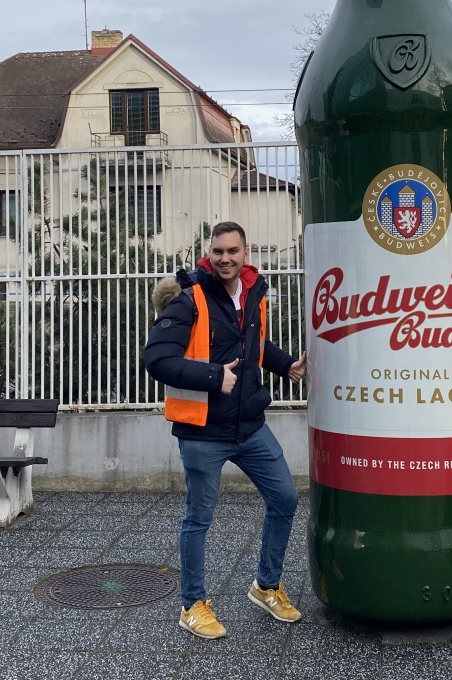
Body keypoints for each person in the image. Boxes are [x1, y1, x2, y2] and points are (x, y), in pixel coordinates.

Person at [145, 221, 307, 639]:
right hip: (203, 431)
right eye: (218, 251)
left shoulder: (254, 294)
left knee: (286, 500)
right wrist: (216, 376)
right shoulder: (189, 299)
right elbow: (157, 359)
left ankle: (265, 585)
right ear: (209, 253)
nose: (225, 258)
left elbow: (252, 345)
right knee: (199, 518)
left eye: (232, 251)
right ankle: (192, 605)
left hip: (249, 426)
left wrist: (286, 364)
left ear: (245, 252)